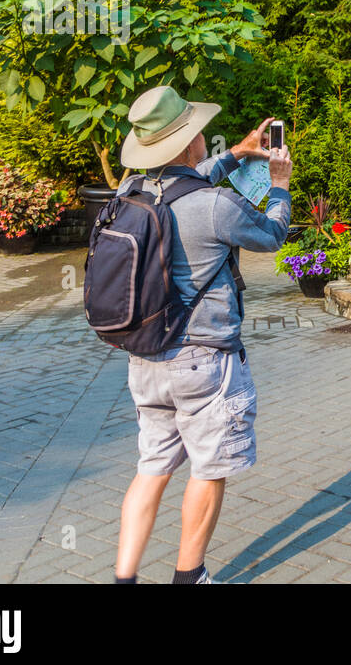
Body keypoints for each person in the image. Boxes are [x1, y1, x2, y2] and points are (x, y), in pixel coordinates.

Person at [112, 86, 293, 583]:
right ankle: (188, 577)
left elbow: (183, 185)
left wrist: (237, 152)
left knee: (152, 467)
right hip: (204, 363)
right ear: (190, 141)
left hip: (144, 358)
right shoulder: (215, 206)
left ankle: (123, 577)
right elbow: (273, 234)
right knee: (209, 468)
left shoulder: (127, 194)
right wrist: (279, 184)